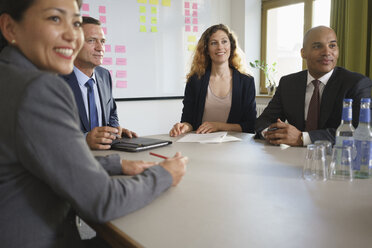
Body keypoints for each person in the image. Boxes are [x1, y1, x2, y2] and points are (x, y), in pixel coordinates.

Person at [0, 0, 187, 247]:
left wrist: (116, 163)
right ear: (10, 28)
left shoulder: (10, 75)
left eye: (76, 23)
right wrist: (163, 175)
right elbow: (102, 200)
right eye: (55, 18)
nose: (71, 35)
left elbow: (50, 154)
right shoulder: (40, 87)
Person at [255, 26, 372, 146]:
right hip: (292, 157)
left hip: (337, 159)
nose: (327, 52)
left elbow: (358, 132)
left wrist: (302, 138)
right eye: (318, 46)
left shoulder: (357, 84)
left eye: (332, 46)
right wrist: (272, 134)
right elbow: (264, 121)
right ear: (303, 53)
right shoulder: (288, 83)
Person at [169, 24, 256, 137]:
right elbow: (188, 120)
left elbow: (250, 125)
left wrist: (218, 126)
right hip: (200, 143)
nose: (220, 47)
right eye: (214, 43)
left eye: (224, 41)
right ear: (206, 49)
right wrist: (183, 126)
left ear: (231, 46)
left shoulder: (246, 81)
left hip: (233, 146)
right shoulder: (195, 80)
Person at [62, 16, 135, 150]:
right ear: (73, 44)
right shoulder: (56, 79)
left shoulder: (104, 75)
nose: (100, 48)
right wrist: (85, 139)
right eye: (91, 41)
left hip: (106, 155)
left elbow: (111, 113)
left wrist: (114, 132)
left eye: (102, 41)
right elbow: (52, 132)